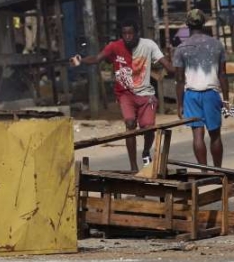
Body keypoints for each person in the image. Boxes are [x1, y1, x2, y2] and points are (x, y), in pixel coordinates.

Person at [71, 19, 174, 172]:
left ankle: (146, 151)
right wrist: (81, 60)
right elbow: (97, 59)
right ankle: (133, 166)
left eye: (130, 33)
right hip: (125, 93)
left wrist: (175, 70)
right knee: (130, 123)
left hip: (146, 94)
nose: (128, 37)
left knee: (148, 128)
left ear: (137, 33)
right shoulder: (114, 46)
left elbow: (166, 64)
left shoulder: (149, 45)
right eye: (125, 33)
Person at [174, 9, 229, 167]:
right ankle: (218, 170)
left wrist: (180, 104)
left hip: (191, 95)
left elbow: (179, 80)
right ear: (203, 23)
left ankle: (203, 172)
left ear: (187, 24)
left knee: (197, 135)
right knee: (215, 135)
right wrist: (226, 100)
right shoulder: (216, 44)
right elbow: (222, 75)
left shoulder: (182, 48)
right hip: (211, 94)